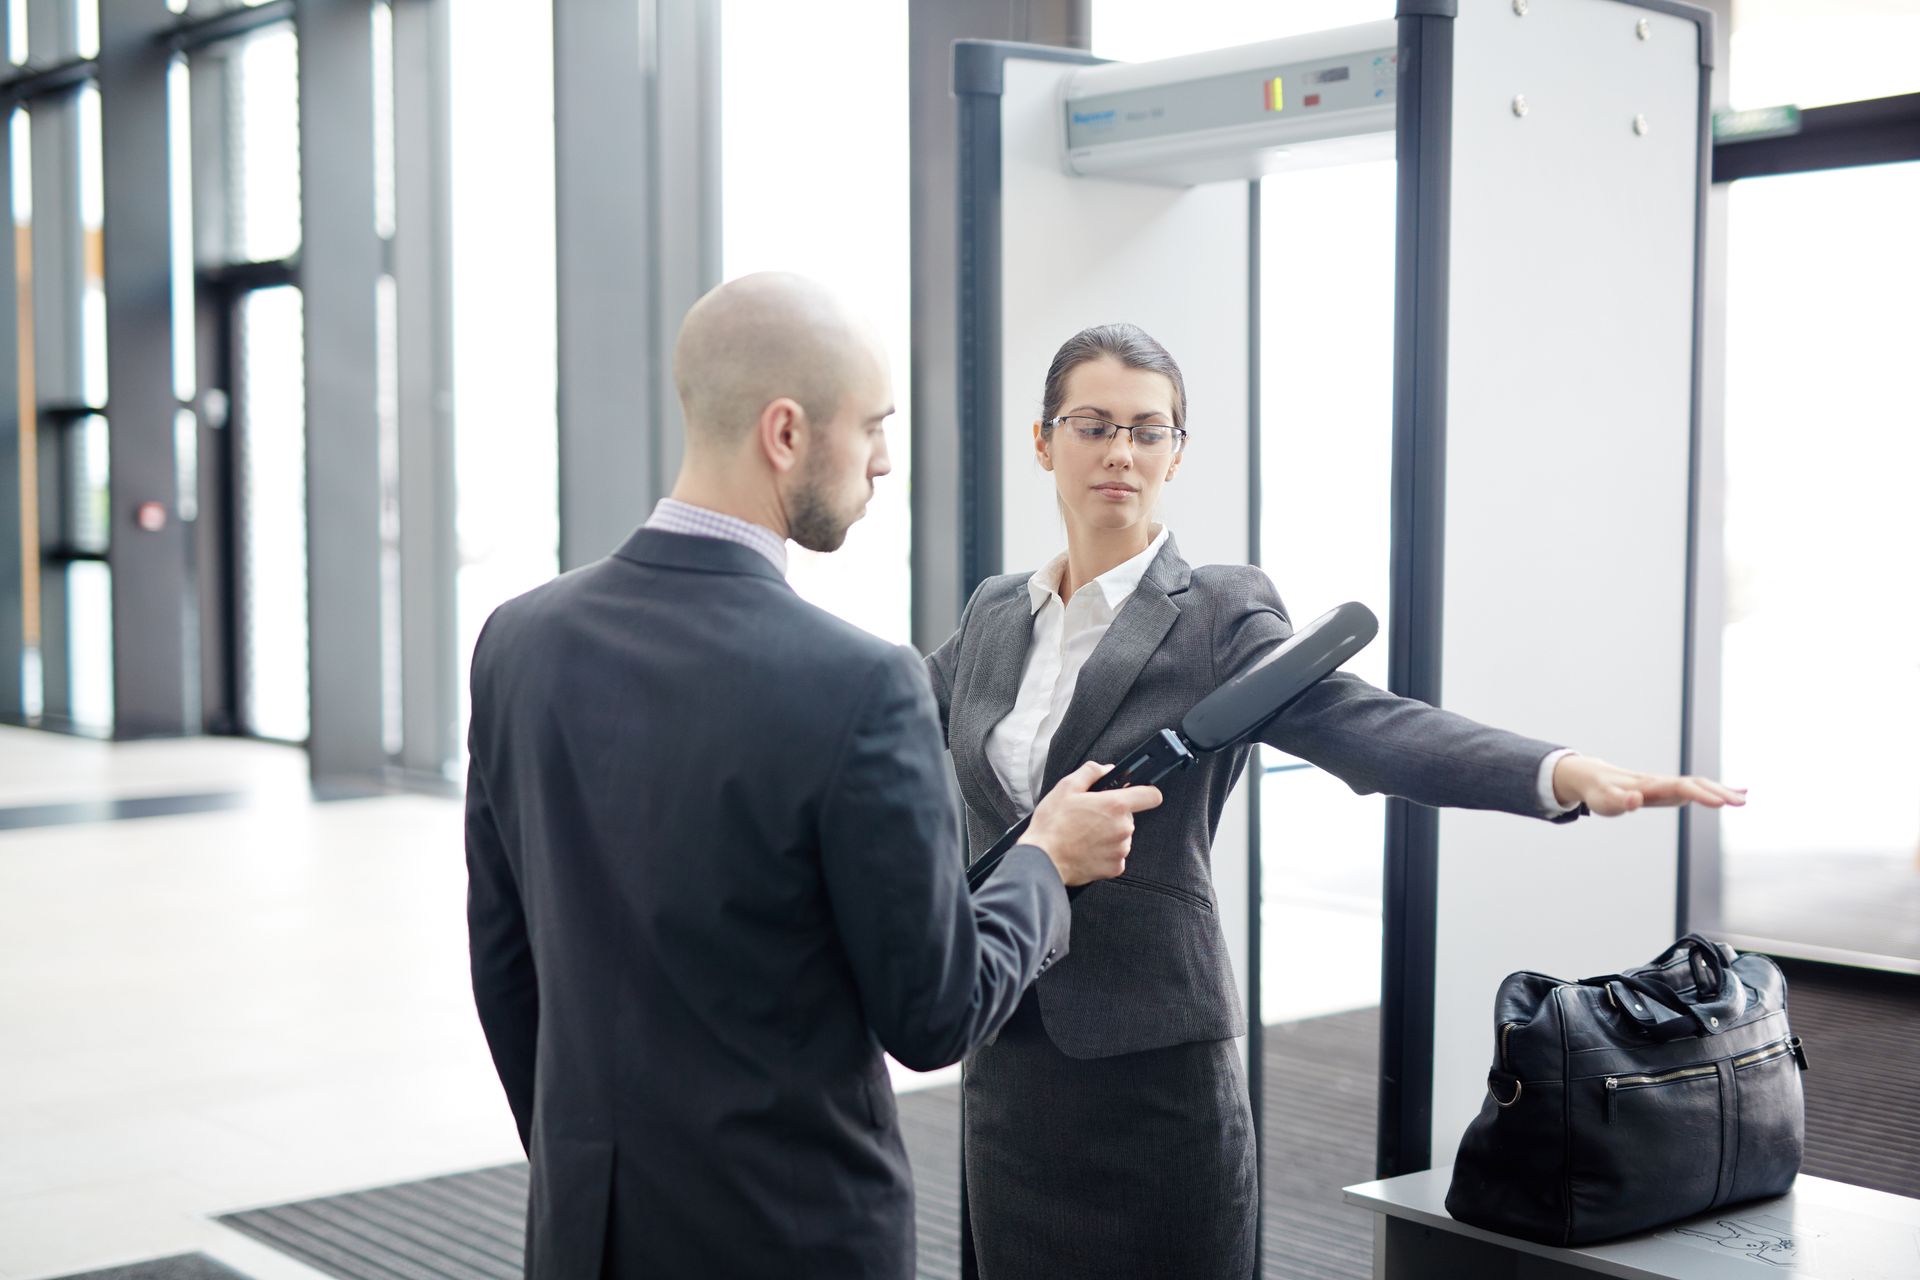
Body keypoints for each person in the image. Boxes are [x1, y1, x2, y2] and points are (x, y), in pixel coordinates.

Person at [925, 322, 1748, 1280]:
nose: (1121, 452)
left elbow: (1365, 725)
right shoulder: (995, 615)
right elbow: (889, 726)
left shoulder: (1216, 612)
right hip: (1008, 1048)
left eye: (1150, 430)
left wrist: (1555, 772)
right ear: (1043, 441)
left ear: (1177, 454)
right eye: (1093, 424)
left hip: (1149, 1062)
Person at [464, 275, 1163, 1279]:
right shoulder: (858, 682)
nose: (884, 460)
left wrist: (588, 1166)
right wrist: (1046, 861)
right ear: (785, 433)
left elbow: (505, 962)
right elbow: (935, 1011)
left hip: (587, 1228)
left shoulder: (519, 641)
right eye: (872, 426)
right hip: (791, 1238)